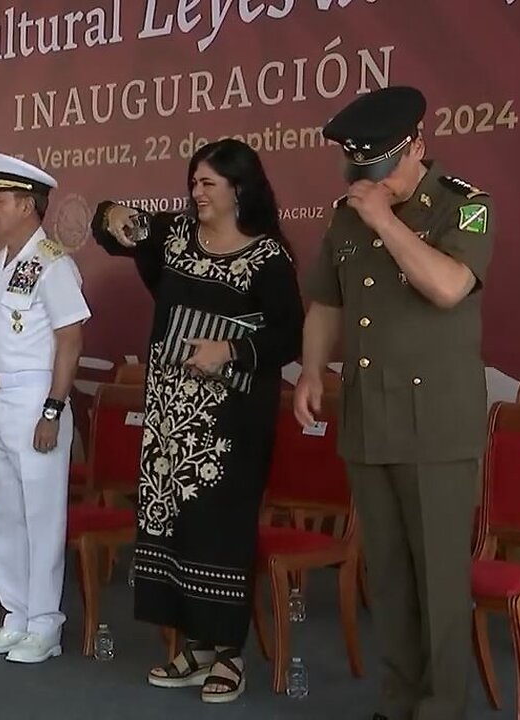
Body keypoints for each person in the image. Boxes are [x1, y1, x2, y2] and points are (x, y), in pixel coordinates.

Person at [294, 86, 494, 720]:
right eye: (362, 173)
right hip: (369, 419)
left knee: (438, 579)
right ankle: (398, 697)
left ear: (417, 148)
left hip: (436, 427)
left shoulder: (466, 208)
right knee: (388, 575)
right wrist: (312, 372)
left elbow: (447, 286)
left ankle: (439, 707)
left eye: (382, 170)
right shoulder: (345, 215)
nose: (371, 185)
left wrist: (385, 220)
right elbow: (328, 300)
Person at [93, 138, 305, 703]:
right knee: (171, 522)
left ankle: (229, 653)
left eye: (209, 183)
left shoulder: (268, 258)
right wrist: (113, 218)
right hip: (167, 414)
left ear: (241, 188)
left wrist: (230, 350)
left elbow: (289, 334)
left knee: (219, 527)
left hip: (231, 421)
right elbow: (112, 227)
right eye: (193, 182)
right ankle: (194, 645)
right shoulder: (176, 238)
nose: (197, 192)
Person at [0, 153, 90, 664]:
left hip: (37, 399)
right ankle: (14, 615)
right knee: (7, 515)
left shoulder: (53, 262)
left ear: (28, 205)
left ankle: (45, 623)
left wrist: (54, 410)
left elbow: (71, 341)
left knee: (41, 515)